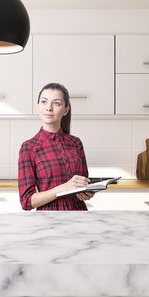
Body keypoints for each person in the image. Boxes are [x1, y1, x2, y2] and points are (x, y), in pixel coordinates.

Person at [18, 82, 94, 210]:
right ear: (38, 106)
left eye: (56, 103)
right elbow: (26, 201)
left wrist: (87, 193)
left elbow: (82, 185)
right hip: (49, 220)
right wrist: (63, 188)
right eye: (44, 102)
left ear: (65, 110)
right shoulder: (29, 148)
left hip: (79, 216)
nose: (49, 108)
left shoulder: (76, 143)